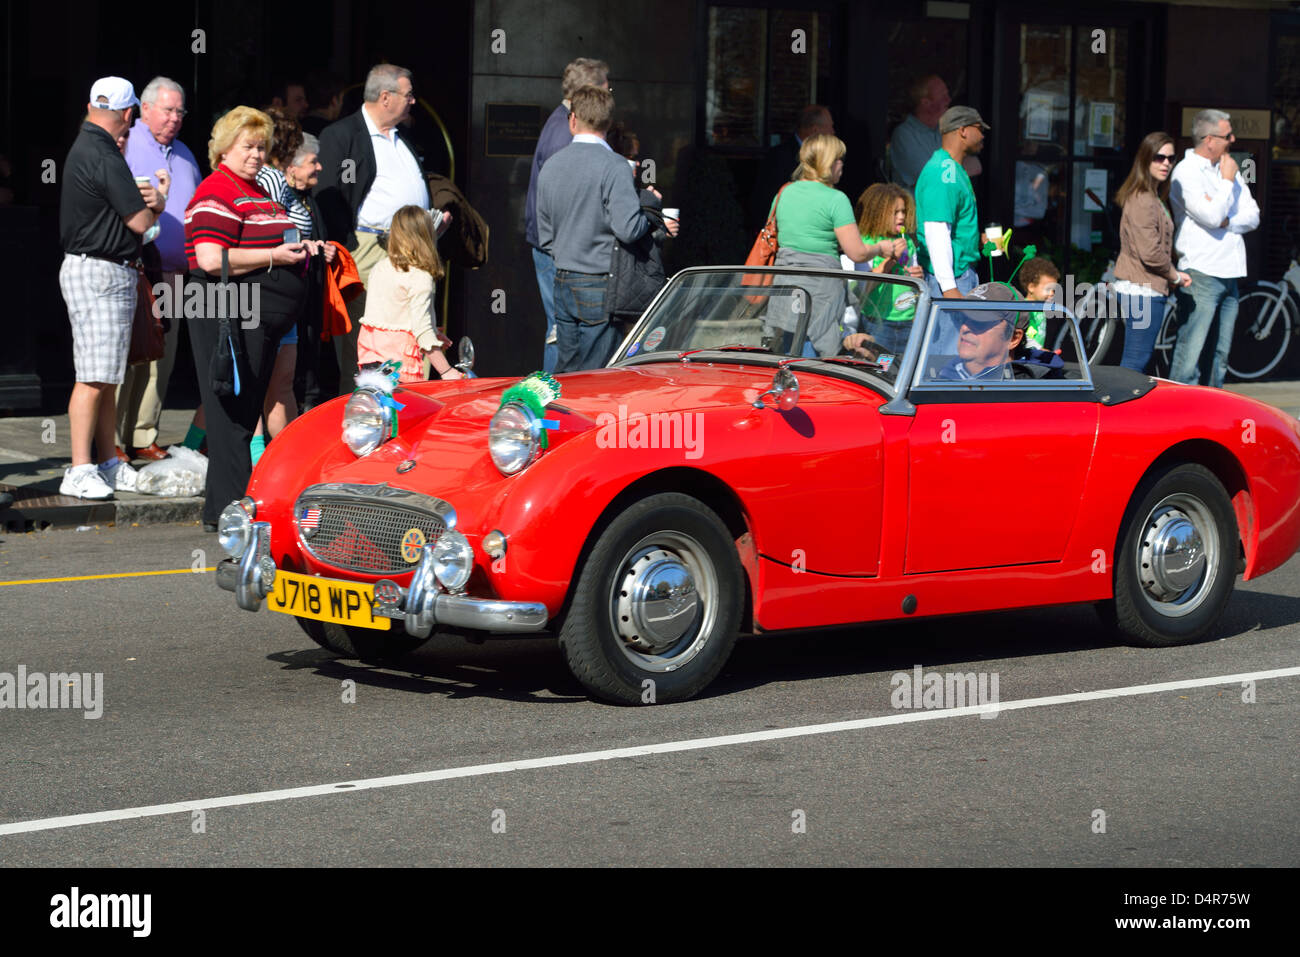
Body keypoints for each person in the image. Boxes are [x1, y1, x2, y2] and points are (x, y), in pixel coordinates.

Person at [184, 105, 319, 529]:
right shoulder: (216, 191)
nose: (257, 155)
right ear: (224, 149)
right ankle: (229, 512)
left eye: (262, 147)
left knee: (245, 414)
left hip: (262, 316)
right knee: (232, 416)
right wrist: (274, 255)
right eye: (248, 146)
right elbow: (209, 258)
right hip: (227, 309)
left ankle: (232, 508)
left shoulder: (258, 191)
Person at [57, 77, 166, 499]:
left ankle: (105, 462)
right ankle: (80, 467)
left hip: (104, 269)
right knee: (93, 377)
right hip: (99, 271)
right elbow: (140, 221)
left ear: (90, 105)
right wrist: (157, 200)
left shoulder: (92, 146)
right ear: (128, 113)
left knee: (105, 376)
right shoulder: (102, 151)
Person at [315, 64, 448, 389]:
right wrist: (349, 245)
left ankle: (410, 406)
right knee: (368, 338)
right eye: (408, 94)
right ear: (385, 97)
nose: (414, 101)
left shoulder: (403, 138)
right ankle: (361, 413)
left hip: (412, 247)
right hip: (368, 250)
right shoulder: (342, 134)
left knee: (414, 326)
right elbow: (326, 194)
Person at [536, 85, 661, 372]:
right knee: (595, 378)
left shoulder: (551, 165)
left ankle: (561, 418)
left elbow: (545, 237)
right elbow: (629, 228)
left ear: (572, 120)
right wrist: (650, 207)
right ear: (607, 123)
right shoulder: (615, 166)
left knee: (567, 373)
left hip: (563, 280)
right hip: (601, 281)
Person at [117, 76, 203, 462]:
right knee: (125, 356)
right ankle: (112, 441)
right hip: (136, 268)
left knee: (159, 358)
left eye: (180, 111)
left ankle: (143, 433)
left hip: (175, 274)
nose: (175, 118)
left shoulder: (184, 153)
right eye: (167, 110)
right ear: (145, 109)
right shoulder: (125, 143)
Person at [764, 134, 903, 358]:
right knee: (816, 357)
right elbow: (856, 252)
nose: (842, 165)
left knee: (791, 352)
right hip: (820, 289)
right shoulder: (835, 199)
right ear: (828, 162)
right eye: (839, 159)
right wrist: (881, 248)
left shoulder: (785, 192)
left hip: (786, 285)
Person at [525, 57, 610, 373]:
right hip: (559, 250)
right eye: (605, 88)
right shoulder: (565, 132)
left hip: (555, 246)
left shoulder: (560, 122)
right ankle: (553, 403)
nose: (609, 95)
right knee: (561, 332)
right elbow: (567, 195)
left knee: (561, 329)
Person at [1168, 110, 1260, 388]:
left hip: (1230, 272)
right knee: (1190, 353)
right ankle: (1178, 414)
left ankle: (1213, 419)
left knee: (1219, 355)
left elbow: (1253, 214)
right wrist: (1227, 182)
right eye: (1227, 135)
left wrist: (1226, 220)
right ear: (1209, 139)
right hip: (1201, 273)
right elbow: (1209, 216)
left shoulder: (1226, 166)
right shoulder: (1186, 172)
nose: (1232, 139)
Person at [1112, 132, 1193, 373]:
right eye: (1159, 157)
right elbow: (1150, 251)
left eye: (1171, 158)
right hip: (1142, 289)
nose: (1166, 163)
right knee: (1135, 361)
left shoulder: (1153, 196)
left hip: (1146, 288)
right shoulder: (1143, 199)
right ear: (1145, 160)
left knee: (1137, 360)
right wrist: (1175, 275)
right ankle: (1118, 411)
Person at [357, 205, 461, 383]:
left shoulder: (380, 267)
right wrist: (447, 371)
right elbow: (422, 332)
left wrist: (433, 332)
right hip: (400, 367)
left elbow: (394, 315)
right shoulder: (420, 277)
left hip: (370, 360)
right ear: (427, 237)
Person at [916, 106, 989, 302]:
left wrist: (974, 238)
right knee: (951, 334)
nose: (983, 136)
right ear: (963, 130)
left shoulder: (951, 168)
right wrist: (949, 289)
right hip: (952, 280)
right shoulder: (944, 173)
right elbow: (936, 231)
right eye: (979, 129)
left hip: (958, 275)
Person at [928, 283, 1062, 381]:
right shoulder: (929, 373)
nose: (965, 328)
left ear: (1013, 338)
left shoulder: (1033, 393)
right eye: (964, 318)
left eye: (979, 321)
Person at [853, 183, 924, 357]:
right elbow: (863, 289)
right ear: (879, 214)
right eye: (895, 212)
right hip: (878, 323)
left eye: (903, 211)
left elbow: (915, 286)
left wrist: (919, 278)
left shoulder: (907, 241)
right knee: (879, 372)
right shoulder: (866, 243)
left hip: (907, 322)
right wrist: (891, 260)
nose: (901, 217)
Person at [750, 104, 835, 233]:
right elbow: (766, 201)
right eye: (830, 127)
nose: (833, 132)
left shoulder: (828, 159)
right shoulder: (779, 157)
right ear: (815, 130)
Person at [890, 76, 980, 191]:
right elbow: (927, 180)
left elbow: (975, 166)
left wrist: (940, 172)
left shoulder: (946, 129)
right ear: (926, 103)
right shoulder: (904, 135)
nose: (949, 100)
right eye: (943, 96)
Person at [302, 72, 344, 138]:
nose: (342, 103)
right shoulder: (337, 134)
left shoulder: (296, 129)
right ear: (334, 100)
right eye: (342, 99)